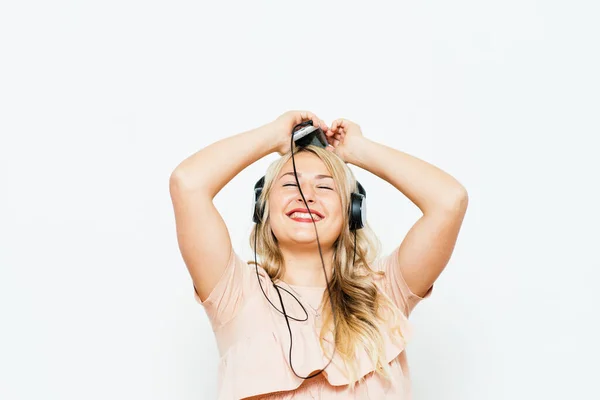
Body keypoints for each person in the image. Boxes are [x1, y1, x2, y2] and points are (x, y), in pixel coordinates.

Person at [169, 110, 468, 399]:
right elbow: (188, 184)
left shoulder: (383, 291)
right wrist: (272, 136)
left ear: (352, 212)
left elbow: (448, 201)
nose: (306, 194)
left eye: (325, 186)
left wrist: (359, 150)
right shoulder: (234, 293)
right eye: (290, 183)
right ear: (263, 207)